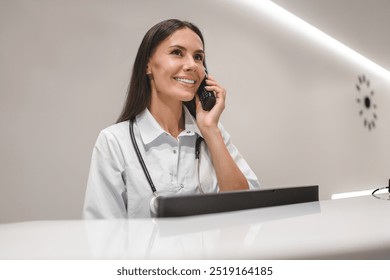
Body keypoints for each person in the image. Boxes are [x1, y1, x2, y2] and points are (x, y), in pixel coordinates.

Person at [83, 19, 260, 219]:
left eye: (198, 57)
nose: (192, 65)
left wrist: (210, 129)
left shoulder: (211, 134)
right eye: (177, 52)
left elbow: (246, 208)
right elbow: (103, 233)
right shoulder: (114, 141)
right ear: (148, 65)